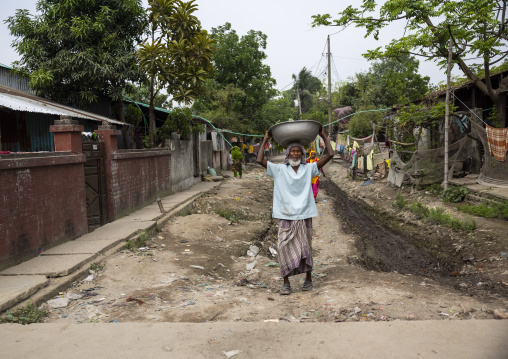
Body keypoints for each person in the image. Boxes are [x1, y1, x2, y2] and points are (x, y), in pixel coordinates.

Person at [256, 127, 333, 295]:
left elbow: (330, 155)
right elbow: (259, 160)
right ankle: (286, 283)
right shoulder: (279, 170)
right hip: (286, 215)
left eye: (298, 151)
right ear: (288, 154)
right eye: (293, 151)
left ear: (302, 154)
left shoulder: (309, 169)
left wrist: (323, 136)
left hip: (304, 214)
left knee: (306, 247)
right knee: (284, 248)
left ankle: (308, 279)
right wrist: (265, 139)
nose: (296, 154)